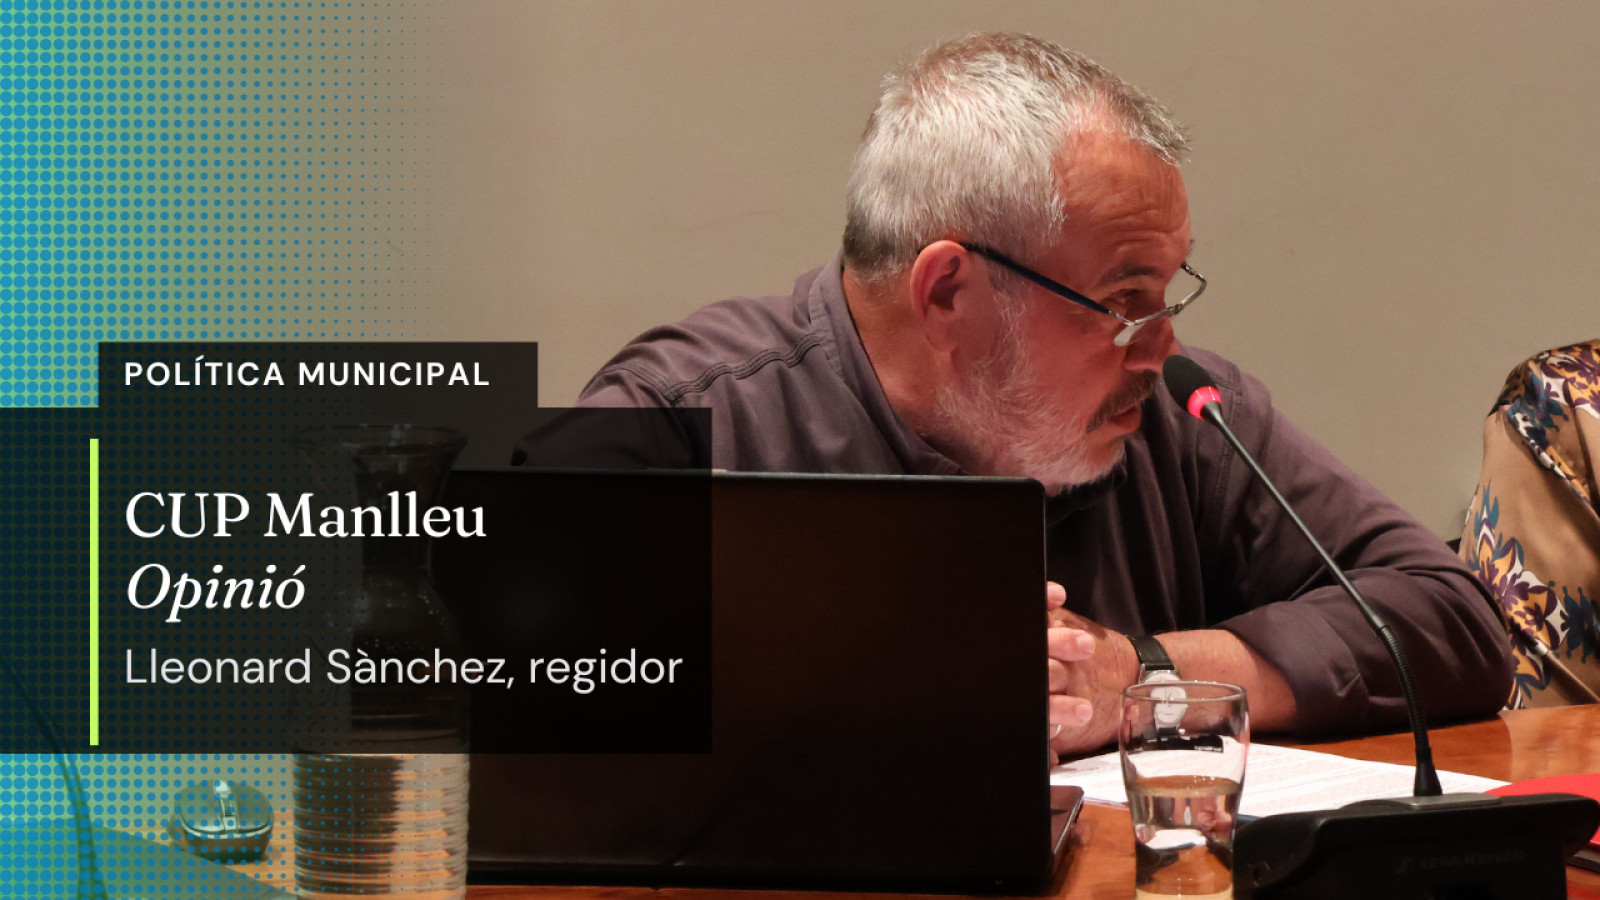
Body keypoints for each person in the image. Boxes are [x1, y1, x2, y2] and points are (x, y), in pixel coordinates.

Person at [515, 32, 1512, 757]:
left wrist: (1149, 676)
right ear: (949, 292)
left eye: (1168, 294)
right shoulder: (692, 415)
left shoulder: (1181, 413)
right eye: (1123, 301)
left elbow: (1451, 622)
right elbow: (486, 664)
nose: (1160, 345)